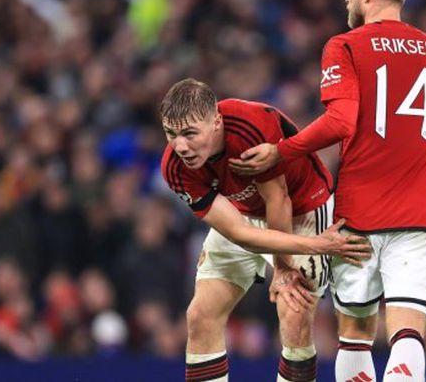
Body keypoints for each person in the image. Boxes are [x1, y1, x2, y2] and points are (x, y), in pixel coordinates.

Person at [230, 0, 426, 382]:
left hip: (360, 212)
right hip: (422, 212)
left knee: (355, 337)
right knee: (408, 331)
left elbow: (340, 121)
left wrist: (282, 151)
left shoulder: (345, 45)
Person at [159, 78, 371, 382]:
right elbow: (238, 233)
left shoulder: (249, 127)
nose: (181, 146)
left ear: (216, 122)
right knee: (200, 315)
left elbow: (278, 199)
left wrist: (283, 267)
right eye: (171, 134)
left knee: (294, 313)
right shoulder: (174, 167)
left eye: (190, 133)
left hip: (302, 206)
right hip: (243, 214)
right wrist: (316, 246)